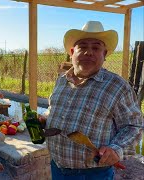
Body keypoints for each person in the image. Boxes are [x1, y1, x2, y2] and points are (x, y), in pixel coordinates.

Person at [45, 21, 144, 179]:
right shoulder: (62, 80)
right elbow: (53, 108)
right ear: (72, 52)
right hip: (56, 167)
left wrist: (116, 148)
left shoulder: (117, 87)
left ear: (104, 54)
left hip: (92, 173)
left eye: (96, 48)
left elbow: (135, 125)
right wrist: (45, 117)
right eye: (82, 47)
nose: (88, 52)